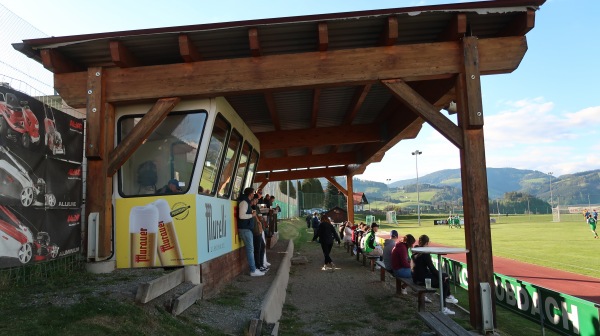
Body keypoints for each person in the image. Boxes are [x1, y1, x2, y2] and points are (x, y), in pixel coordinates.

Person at [411, 234, 458, 315]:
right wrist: (442, 276)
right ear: (427, 243)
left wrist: (442, 276)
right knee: (444, 282)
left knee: (444, 277)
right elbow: (432, 269)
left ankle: (447, 298)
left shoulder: (416, 252)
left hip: (416, 277)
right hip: (421, 279)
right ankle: (445, 304)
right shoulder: (425, 254)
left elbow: (421, 268)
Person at [237, 187, 264, 277]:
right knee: (250, 250)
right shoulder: (244, 202)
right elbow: (241, 216)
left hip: (247, 229)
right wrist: (251, 215)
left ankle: (254, 269)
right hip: (245, 229)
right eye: (253, 193)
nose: (254, 195)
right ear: (250, 194)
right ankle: (253, 270)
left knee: (250, 250)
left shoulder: (246, 202)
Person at [251, 197, 268, 272]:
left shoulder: (256, 207)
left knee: (262, 246)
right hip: (255, 230)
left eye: (257, 200)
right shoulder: (250, 207)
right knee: (257, 248)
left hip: (259, 229)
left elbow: (259, 216)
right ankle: (258, 266)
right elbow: (254, 217)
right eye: (255, 199)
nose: (256, 201)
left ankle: (261, 264)